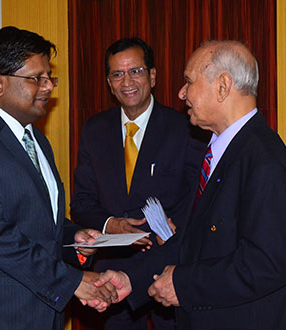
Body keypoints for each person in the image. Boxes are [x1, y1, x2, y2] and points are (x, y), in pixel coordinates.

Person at [96, 40, 286, 329]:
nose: (181, 93)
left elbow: (267, 264)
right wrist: (132, 280)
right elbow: (190, 241)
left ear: (222, 86)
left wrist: (182, 284)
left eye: (189, 81)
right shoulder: (218, 152)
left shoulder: (263, 160)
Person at [0, 26, 116, 330]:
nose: (47, 87)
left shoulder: (37, 141)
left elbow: (35, 219)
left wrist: (72, 237)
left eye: (49, 78)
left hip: (40, 311)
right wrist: (72, 281)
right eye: (35, 79)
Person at [71, 37, 203, 330]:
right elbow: (81, 202)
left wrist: (175, 229)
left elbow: (198, 198)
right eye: (117, 74)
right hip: (112, 272)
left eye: (136, 71)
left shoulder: (185, 128)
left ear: (152, 76)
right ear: (108, 81)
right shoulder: (95, 130)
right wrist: (110, 224)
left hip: (167, 268)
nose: (126, 81)